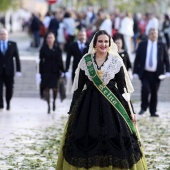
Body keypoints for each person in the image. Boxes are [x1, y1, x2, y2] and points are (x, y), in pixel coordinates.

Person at [56, 30, 148, 170]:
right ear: (94, 43)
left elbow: (123, 89)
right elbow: (78, 89)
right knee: (88, 138)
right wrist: (72, 111)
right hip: (88, 106)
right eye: (100, 41)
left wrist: (131, 111)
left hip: (112, 105)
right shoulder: (85, 61)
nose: (103, 44)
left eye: (106, 41)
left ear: (110, 43)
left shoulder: (116, 61)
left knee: (114, 137)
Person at [133, 28, 170, 117]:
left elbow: (166, 59)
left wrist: (168, 71)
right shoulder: (142, 44)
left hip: (157, 74)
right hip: (145, 73)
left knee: (154, 92)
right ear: (148, 34)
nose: (154, 35)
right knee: (145, 89)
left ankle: (153, 111)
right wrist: (135, 71)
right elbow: (137, 59)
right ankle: (143, 107)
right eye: (152, 33)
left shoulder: (162, 45)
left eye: (155, 33)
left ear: (157, 35)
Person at [39, 31, 65, 114]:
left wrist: (63, 71)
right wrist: (39, 72)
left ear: (54, 39)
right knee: (46, 89)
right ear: (46, 39)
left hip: (55, 71)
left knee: (55, 88)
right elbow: (41, 60)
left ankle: (54, 101)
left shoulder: (58, 49)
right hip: (46, 71)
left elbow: (60, 60)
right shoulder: (43, 49)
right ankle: (48, 105)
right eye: (48, 37)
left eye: (51, 37)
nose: (50, 39)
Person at [0, 28, 21, 110]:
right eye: (1, 34)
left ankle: (8, 102)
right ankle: (1, 104)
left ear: (7, 35)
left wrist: (18, 70)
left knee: (10, 88)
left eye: (4, 34)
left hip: (9, 71)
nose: (3, 35)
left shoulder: (13, 44)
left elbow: (17, 58)